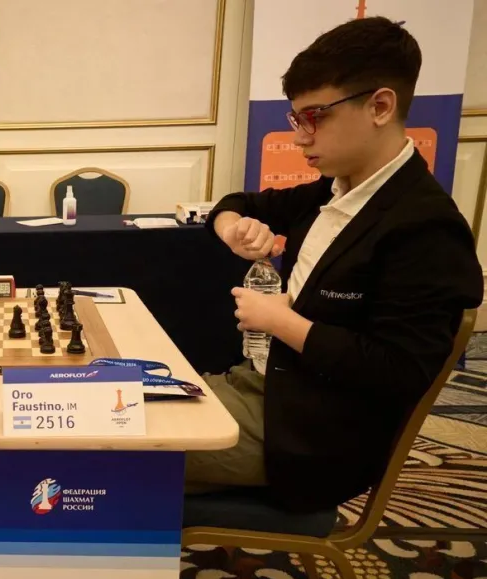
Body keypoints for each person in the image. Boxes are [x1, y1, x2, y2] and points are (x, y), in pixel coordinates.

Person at [186, 17, 483, 514]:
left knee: (111, 449)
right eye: (296, 120)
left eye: (315, 117)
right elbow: (238, 203)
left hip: (310, 438)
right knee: (123, 408)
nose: (301, 138)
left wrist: (282, 322)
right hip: (264, 384)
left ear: (380, 106)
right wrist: (233, 227)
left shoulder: (426, 227)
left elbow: (400, 372)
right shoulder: (335, 189)